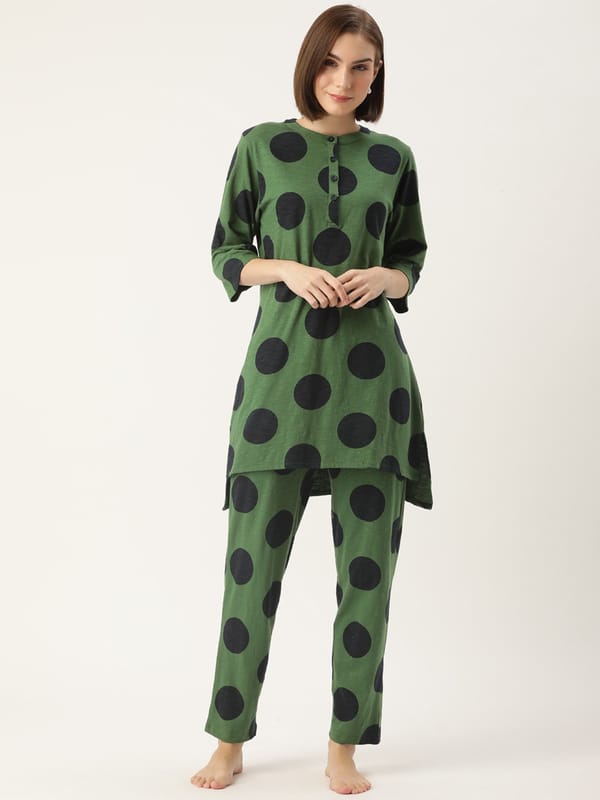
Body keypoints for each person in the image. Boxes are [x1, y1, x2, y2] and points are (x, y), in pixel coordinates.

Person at [190, 3, 432, 793]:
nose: (343, 80)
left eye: (361, 67)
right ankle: (229, 739)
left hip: (373, 390)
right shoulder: (261, 146)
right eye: (331, 63)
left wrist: (387, 277)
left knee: (367, 581)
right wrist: (285, 269)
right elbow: (227, 250)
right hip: (277, 389)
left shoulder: (393, 158)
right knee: (249, 575)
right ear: (310, 63)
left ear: (378, 74)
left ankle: (343, 747)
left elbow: (410, 258)